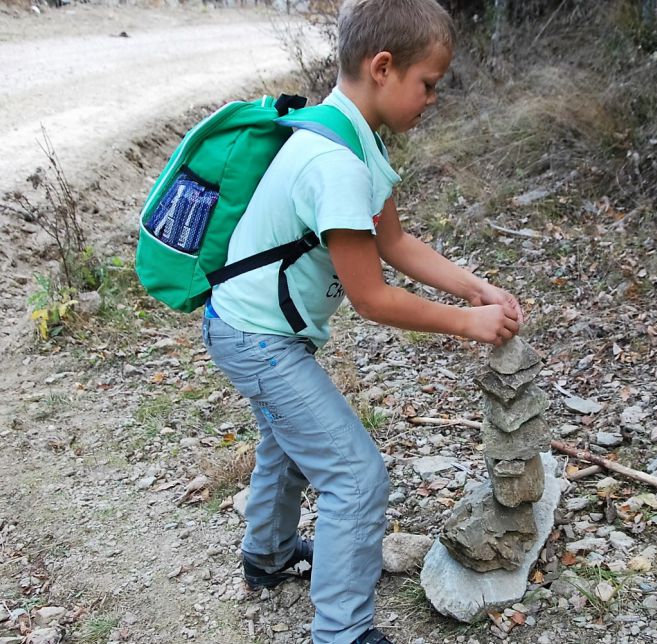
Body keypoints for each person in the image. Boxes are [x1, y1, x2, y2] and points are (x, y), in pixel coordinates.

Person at [201, 1, 523, 642]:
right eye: (428, 84)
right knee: (356, 476)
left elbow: (395, 243)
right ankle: (341, 632)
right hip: (257, 340)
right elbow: (373, 298)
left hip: (249, 328)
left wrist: (475, 287)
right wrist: (467, 324)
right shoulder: (336, 165)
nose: (433, 99)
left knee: (290, 446)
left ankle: (266, 557)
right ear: (383, 68)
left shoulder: (350, 135)